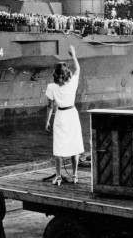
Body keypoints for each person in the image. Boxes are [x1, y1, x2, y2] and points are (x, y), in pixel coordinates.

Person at [45, 45, 84, 185]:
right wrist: (73, 54)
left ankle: (59, 176)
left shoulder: (51, 87)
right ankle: (75, 176)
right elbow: (78, 69)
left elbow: (50, 106)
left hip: (60, 115)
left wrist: (47, 122)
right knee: (74, 145)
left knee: (59, 147)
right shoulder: (72, 83)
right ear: (67, 73)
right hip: (72, 114)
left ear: (55, 74)